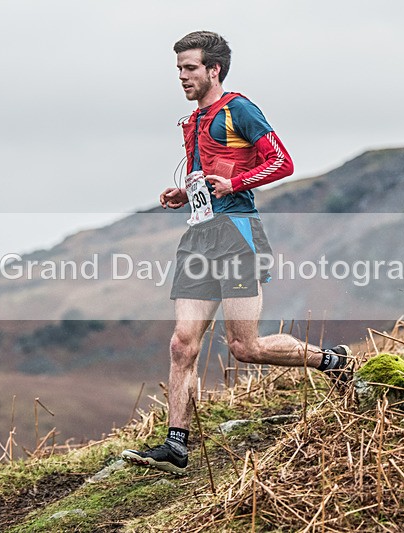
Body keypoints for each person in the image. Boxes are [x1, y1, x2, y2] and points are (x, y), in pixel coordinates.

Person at [122, 31, 351, 476]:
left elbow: (282, 162)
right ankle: (176, 446)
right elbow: (208, 180)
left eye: (190, 68)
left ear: (214, 70)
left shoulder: (238, 109)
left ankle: (332, 361)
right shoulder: (195, 121)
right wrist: (183, 195)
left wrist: (238, 184)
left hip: (238, 237)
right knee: (181, 344)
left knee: (244, 348)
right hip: (199, 237)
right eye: (179, 70)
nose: (183, 77)